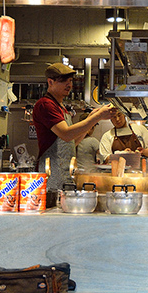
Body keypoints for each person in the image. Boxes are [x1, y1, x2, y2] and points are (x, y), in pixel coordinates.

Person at [32, 63, 115, 204]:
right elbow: (66, 134)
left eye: (70, 81)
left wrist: (91, 120)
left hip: (64, 172)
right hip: (51, 173)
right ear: (50, 82)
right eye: (64, 81)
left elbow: (71, 142)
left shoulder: (61, 107)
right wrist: (97, 117)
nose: (69, 84)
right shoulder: (46, 105)